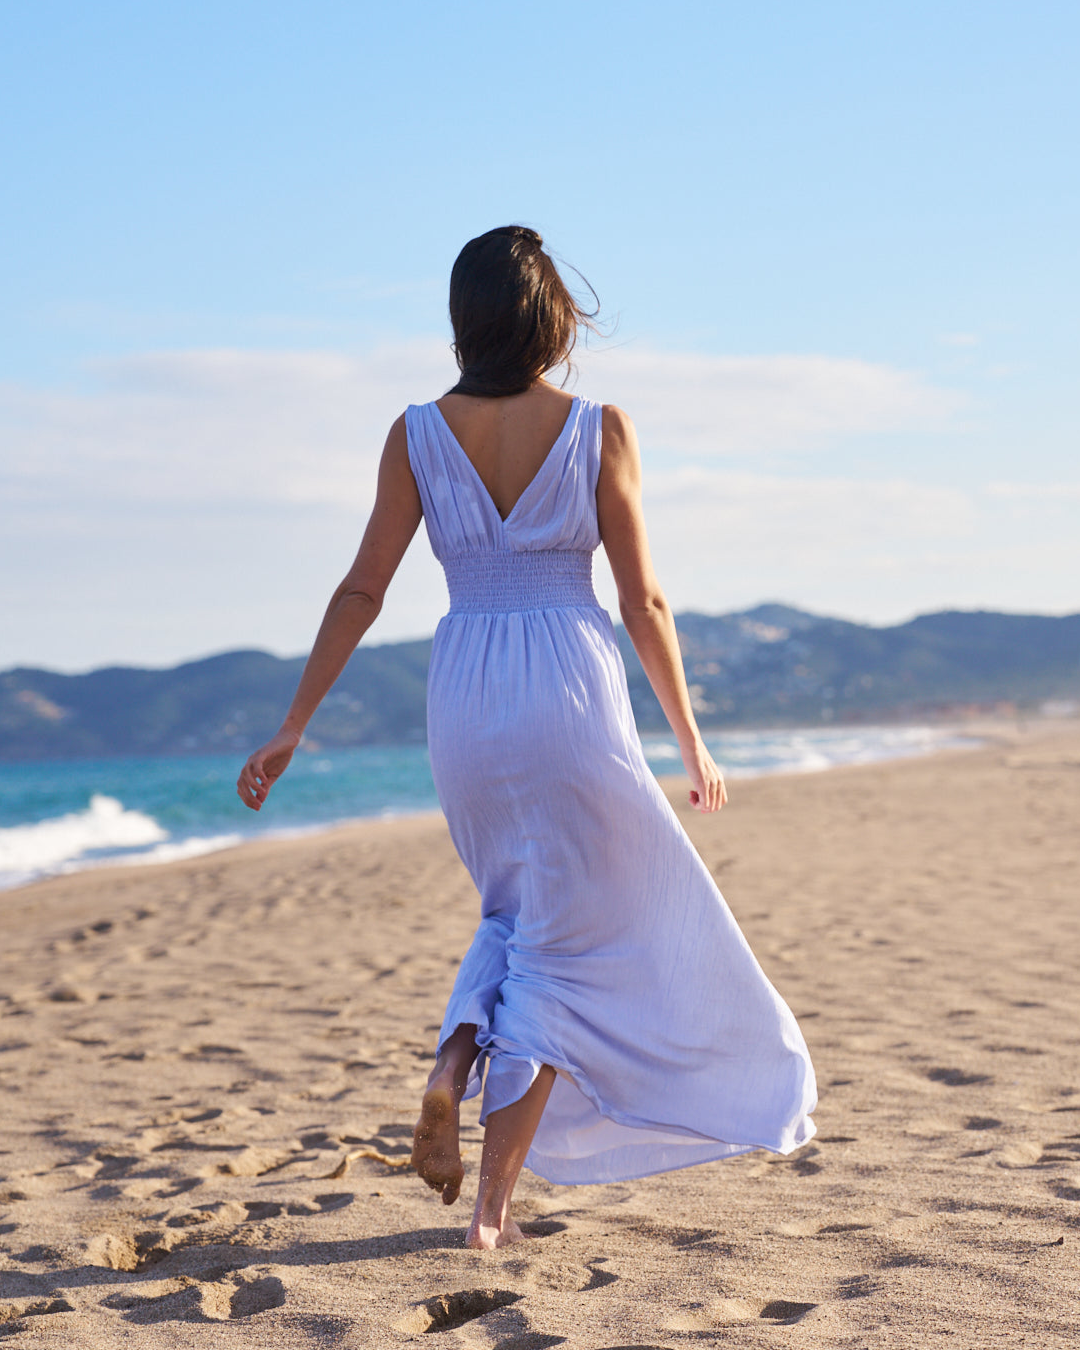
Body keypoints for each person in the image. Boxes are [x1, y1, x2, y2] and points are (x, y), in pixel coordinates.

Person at [238, 225, 816, 1249]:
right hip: (569, 686)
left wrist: (293, 725)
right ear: (553, 322)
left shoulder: (415, 431)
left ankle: (456, 1062)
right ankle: (493, 1211)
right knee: (571, 937)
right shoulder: (600, 426)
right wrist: (692, 741)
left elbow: (361, 588)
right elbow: (642, 599)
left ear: (464, 323)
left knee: (517, 909)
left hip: (465, 692)